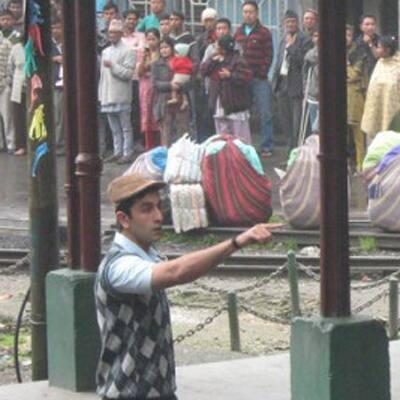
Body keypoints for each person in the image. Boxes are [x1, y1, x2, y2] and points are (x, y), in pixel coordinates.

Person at [95, 172, 280, 400]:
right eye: (146, 209)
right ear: (124, 219)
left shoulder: (147, 255)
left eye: (158, 206)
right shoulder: (118, 266)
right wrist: (236, 242)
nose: (158, 216)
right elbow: (176, 271)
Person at [234, 1, 274, 157]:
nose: (247, 15)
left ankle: (267, 146)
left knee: (265, 113)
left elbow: (269, 55)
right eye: (245, 12)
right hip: (242, 79)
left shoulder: (264, 32)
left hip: (259, 79)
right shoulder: (238, 32)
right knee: (243, 113)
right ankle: (245, 145)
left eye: (250, 12)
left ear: (256, 13)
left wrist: (262, 71)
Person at [272, 9, 312, 152]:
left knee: (298, 123)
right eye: (288, 22)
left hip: (296, 86)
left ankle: (299, 151)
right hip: (282, 83)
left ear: (298, 23)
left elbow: (304, 61)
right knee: (285, 121)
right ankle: (290, 152)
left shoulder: (305, 39)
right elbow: (278, 61)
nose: (290, 24)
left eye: (293, 22)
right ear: (284, 23)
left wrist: (292, 47)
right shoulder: (283, 39)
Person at [201, 35, 253, 143]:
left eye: (217, 46)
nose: (215, 48)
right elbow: (203, 71)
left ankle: (241, 157)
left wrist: (230, 75)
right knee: (221, 136)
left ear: (223, 49)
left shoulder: (238, 60)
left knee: (239, 137)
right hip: (219, 103)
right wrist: (212, 60)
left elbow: (246, 77)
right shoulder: (215, 60)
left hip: (235, 103)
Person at [98, 19, 136, 164]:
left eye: (115, 32)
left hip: (121, 94)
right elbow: (102, 76)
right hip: (107, 94)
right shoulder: (105, 51)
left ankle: (127, 152)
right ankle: (117, 151)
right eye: (110, 32)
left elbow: (127, 74)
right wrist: (101, 93)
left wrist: (113, 66)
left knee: (125, 126)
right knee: (114, 128)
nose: (112, 35)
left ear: (121, 33)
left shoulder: (129, 51)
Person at [152, 37, 191, 147]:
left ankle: (183, 156)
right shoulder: (156, 64)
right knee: (166, 132)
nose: (164, 50)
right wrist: (170, 85)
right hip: (164, 101)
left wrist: (180, 85)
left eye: (166, 47)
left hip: (181, 99)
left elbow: (189, 79)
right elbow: (155, 83)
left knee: (183, 130)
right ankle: (166, 156)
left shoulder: (182, 60)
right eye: (161, 48)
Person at [361, 35, 400, 142]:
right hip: (375, 111)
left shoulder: (398, 65)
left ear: (387, 49)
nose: (376, 50)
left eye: (378, 47)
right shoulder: (380, 63)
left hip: (393, 111)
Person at [122, 9, 145, 150]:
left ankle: (138, 140)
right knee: (126, 110)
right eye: (129, 18)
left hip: (138, 77)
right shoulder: (120, 38)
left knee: (138, 108)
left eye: (134, 19)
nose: (131, 21)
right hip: (123, 78)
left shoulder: (141, 36)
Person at [194, 8, 218, 142]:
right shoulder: (200, 39)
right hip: (204, 77)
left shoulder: (220, 36)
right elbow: (197, 58)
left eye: (211, 20)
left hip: (217, 77)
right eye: (206, 21)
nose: (209, 24)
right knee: (204, 111)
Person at [346, 25, 366, 172]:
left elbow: (354, 75)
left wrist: (346, 63)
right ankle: (345, 163)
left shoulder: (359, 52)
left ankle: (361, 163)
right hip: (339, 96)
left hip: (355, 95)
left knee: (357, 133)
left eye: (348, 34)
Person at [137, 28, 160, 150]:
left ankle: (159, 145)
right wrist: (144, 61)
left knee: (157, 116)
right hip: (145, 88)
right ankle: (148, 146)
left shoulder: (162, 53)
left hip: (158, 88)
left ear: (158, 40)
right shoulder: (143, 54)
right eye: (148, 39)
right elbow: (139, 72)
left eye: (153, 39)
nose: (151, 42)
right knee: (146, 116)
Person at [0, 9, 19, 153]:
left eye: (7, 19)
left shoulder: (17, 37)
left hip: (7, 81)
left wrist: (9, 80)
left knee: (8, 116)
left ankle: (11, 144)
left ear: (13, 21)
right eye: (2, 19)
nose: (5, 22)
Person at [7, 35, 25, 156]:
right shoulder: (16, 48)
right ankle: (21, 146)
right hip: (19, 87)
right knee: (19, 118)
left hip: (35, 87)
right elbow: (10, 67)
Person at [301, 29, 319, 140]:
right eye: (316, 36)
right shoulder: (309, 55)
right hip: (312, 94)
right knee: (314, 126)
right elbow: (305, 73)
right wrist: (305, 90)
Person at [51, 16, 65, 155]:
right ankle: (58, 144)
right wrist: (54, 58)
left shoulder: (69, 43)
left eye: (58, 27)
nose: (56, 30)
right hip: (56, 83)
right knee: (58, 116)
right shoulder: (50, 45)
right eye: (53, 28)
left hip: (69, 83)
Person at [355, 14, 380, 85]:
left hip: (376, 76)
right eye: (367, 24)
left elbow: (378, 57)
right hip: (360, 78)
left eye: (373, 24)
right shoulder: (356, 42)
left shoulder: (380, 41)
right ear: (361, 27)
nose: (370, 27)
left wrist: (370, 43)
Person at [167, 42, 192, 110]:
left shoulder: (178, 60)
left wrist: (171, 63)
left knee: (173, 85)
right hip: (187, 76)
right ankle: (185, 100)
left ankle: (174, 98)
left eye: (176, 53)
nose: (175, 54)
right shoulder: (187, 60)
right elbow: (190, 67)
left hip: (179, 75)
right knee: (183, 89)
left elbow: (173, 67)